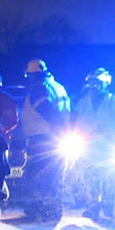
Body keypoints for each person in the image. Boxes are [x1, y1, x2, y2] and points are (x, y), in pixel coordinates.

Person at [75, 67, 115, 219]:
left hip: (109, 148)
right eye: (92, 82)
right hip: (88, 147)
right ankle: (92, 209)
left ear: (105, 83)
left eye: (97, 82)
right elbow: (77, 121)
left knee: (109, 180)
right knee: (89, 180)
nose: (93, 86)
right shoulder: (83, 102)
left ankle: (108, 207)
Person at [19, 59, 72, 221]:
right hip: (57, 137)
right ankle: (51, 209)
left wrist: (57, 128)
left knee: (35, 175)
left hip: (42, 138)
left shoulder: (39, 88)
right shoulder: (58, 87)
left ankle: (41, 209)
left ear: (33, 75)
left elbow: (46, 110)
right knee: (53, 175)